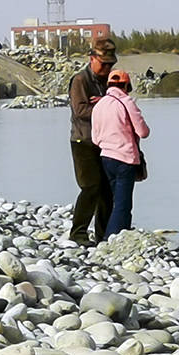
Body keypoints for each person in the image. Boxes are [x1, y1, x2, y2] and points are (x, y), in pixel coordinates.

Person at [67, 37, 116, 245]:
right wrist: (104, 106)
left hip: (104, 142)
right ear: (92, 58)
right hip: (83, 141)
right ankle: (78, 233)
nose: (107, 68)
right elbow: (80, 111)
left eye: (110, 64)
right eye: (104, 64)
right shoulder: (80, 80)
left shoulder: (108, 81)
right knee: (90, 187)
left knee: (106, 190)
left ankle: (102, 234)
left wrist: (104, 103)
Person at [90, 67, 150, 237]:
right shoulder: (127, 102)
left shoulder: (99, 105)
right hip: (125, 159)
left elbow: (95, 138)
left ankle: (111, 235)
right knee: (123, 205)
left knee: (115, 201)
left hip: (105, 158)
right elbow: (143, 132)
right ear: (126, 86)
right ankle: (114, 239)